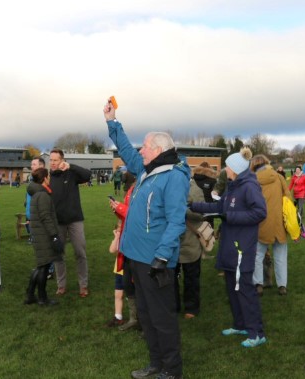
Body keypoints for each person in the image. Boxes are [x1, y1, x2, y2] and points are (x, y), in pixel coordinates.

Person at [105, 100, 189, 379]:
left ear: (159, 151)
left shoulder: (173, 176)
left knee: (162, 318)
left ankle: (172, 369)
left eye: (146, 147)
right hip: (135, 257)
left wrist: (162, 256)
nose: (141, 151)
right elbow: (128, 152)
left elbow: (177, 221)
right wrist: (113, 123)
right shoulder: (147, 169)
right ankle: (156, 363)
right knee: (146, 314)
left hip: (156, 260)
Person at [192, 147, 268, 348]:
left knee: (244, 289)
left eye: (228, 166)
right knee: (232, 288)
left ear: (235, 168)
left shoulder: (250, 186)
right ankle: (241, 325)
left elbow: (260, 212)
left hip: (242, 247)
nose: (225, 169)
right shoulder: (233, 186)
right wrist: (193, 206)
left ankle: (256, 333)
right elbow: (219, 208)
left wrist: (230, 217)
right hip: (230, 246)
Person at [48, 148, 92, 297]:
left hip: (75, 220)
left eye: (55, 160)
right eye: (51, 160)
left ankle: (83, 285)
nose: (52, 163)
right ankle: (61, 286)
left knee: (80, 252)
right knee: (58, 255)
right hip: (57, 222)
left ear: (62, 160)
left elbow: (88, 175)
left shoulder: (71, 173)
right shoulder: (48, 177)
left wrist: (71, 166)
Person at [251, 155, 293, 296]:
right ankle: (282, 286)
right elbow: (288, 198)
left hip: (260, 223)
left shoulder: (252, 180)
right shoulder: (279, 177)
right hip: (279, 223)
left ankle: (259, 284)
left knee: (257, 256)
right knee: (280, 256)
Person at [24, 168, 63, 307]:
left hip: (39, 234)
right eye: (48, 177)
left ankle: (30, 295)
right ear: (45, 178)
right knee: (44, 267)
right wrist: (54, 236)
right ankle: (42, 298)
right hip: (44, 235)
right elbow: (46, 217)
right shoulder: (42, 195)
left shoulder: (37, 193)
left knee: (41, 265)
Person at [109, 184, 139, 331]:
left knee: (137, 290)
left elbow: (137, 215)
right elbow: (112, 250)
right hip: (123, 261)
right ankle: (131, 318)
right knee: (125, 290)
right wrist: (118, 210)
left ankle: (140, 320)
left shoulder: (142, 187)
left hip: (136, 254)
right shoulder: (134, 187)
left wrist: (121, 208)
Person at [175, 174, 205, 319]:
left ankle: (191, 307)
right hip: (172, 241)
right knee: (170, 277)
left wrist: (181, 209)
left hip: (190, 240)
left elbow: (200, 214)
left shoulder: (195, 189)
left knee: (191, 277)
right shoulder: (169, 187)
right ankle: (173, 305)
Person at [25, 157, 46, 237]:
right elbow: (28, 201)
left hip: (41, 220)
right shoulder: (32, 181)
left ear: (41, 166)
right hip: (32, 218)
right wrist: (28, 218)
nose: (31, 166)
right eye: (31, 164)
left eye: (34, 164)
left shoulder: (46, 182)